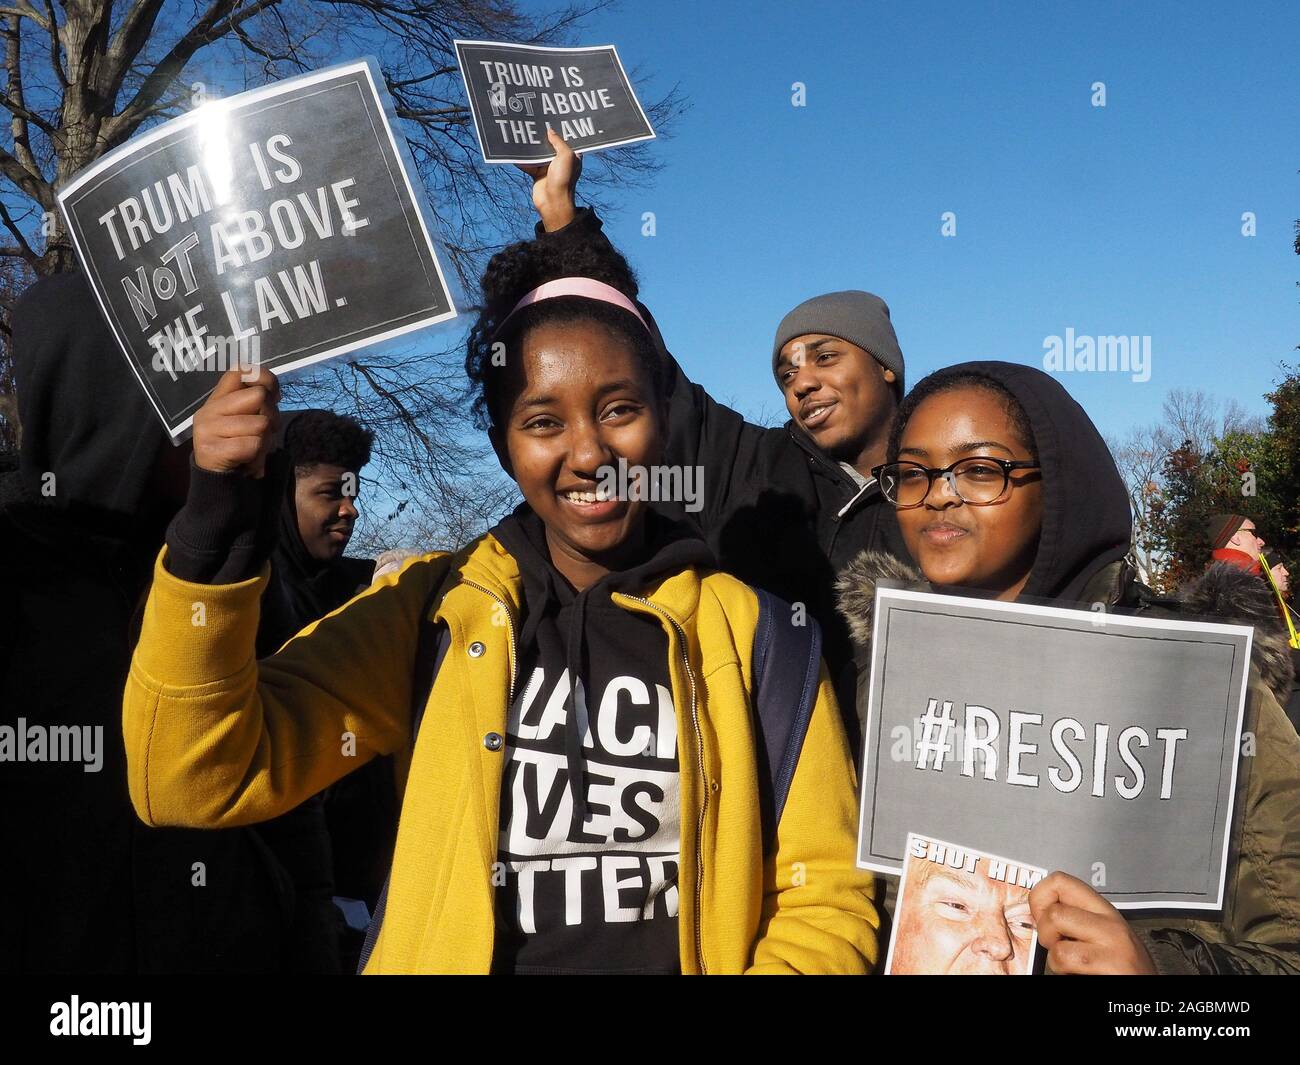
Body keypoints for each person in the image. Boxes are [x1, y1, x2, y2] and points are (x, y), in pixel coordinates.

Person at [120, 230, 878, 974]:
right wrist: (211, 525)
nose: (588, 454)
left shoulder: (761, 635)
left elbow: (828, 900)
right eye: (544, 422)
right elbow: (188, 777)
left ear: (664, 416)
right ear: (502, 442)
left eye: (619, 410)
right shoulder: (429, 615)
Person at [835, 360, 1300, 975]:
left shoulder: (1199, 685)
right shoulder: (883, 680)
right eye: (913, 473)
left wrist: (1157, 973)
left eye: (979, 469)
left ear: (1058, 482)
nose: (939, 494)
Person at [524, 130, 910, 746]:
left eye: (825, 356)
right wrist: (568, 231)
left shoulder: (958, 480)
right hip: (797, 793)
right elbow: (649, 376)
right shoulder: (757, 472)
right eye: (786, 373)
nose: (803, 381)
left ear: (886, 365)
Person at [0, 272, 292, 973]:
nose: (223, 428)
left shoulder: (229, 571)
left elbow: (286, 809)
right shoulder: (16, 576)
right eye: (193, 402)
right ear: (108, 403)